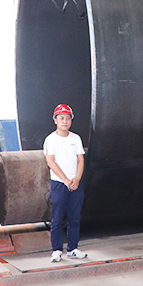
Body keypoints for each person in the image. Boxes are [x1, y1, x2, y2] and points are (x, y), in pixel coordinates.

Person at [43, 104, 88, 263]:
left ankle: (73, 249)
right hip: (59, 184)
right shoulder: (51, 140)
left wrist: (77, 179)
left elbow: (80, 159)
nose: (65, 121)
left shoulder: (76, 138)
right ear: (55, 120)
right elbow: (51, 162)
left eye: (68, 118)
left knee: (75, 218)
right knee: (57, 218)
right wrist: (66, 180)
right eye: (61, 118)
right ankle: (56, 250)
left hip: (75, 184)